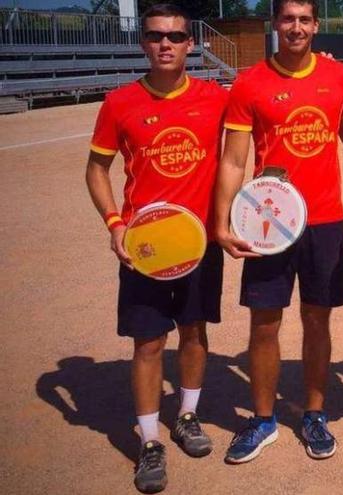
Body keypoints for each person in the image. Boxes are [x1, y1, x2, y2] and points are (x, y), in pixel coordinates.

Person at [84, 4, 227, 493]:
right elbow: (96, 170)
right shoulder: (120, 102)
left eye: (175, 36)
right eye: (155, 36)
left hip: (199, 242)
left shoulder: (214, 99)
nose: (165, 44)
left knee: (193, 331)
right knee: (148, 342)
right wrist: (114, 222)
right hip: (145, 246)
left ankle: (186, 416)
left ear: (191, 43)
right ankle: (149, 441)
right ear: (143, 43)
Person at [213, 0, 343, 463]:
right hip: (267, 223)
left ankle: (314, 413)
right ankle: (262, 419)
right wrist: (222, 220)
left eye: (305, 19)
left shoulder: (339, 78)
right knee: (265, 322)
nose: (296, 27)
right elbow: (234, 160)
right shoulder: (251, 82)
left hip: (325, 220)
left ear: (316, 25)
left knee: (317, 320)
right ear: (277, 24)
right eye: (288, 19)